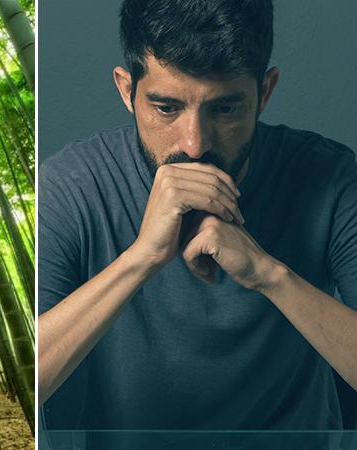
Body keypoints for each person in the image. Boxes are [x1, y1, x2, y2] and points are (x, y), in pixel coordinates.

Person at [38, 0, 357, 430]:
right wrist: (142, 258)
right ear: (125, 89)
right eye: (166, 108)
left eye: (224, 109)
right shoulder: (70, 186)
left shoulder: (332, 178)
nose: (194, 144)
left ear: (265, 91)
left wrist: (269, 274)